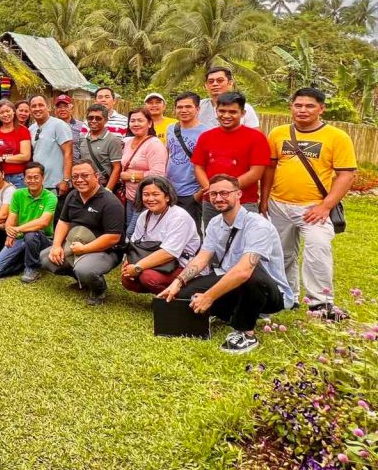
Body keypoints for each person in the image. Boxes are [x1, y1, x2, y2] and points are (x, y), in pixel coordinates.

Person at [159, 174, 293, 354]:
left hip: (268, 292)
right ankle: (233, 312)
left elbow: (244, 271)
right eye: (213, 194)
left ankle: (246, 332)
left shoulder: (258, 225)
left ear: (238, 194)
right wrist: (178, 282)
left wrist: (209, 297)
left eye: (224, 193)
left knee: (249, 275)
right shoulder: (215, 223)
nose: (218, 198)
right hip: (232, 282)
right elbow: (202, 258)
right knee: (185, 294)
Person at [261, 87, 356, 321]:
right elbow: (270, 168)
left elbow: (346, 175)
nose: (303, 110)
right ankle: (285, 296)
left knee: (318, 250)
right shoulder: (278, 133)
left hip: (314, 208)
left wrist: (325, 206)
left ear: (321, 109)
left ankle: (320, 304)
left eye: (310, 106)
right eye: (298, 105)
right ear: (291, 107)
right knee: (281, 254)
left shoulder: (336, 137)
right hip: (278, 204)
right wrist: (264, 200)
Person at [40, 159, 125, 305]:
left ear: (96, 176)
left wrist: (85, 249)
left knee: (85, 269)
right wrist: (56, 246)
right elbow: (63, 221)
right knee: (46, 258)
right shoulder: (73, 196)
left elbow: (113, 237)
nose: (79, 180)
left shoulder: (111, 202)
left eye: (85, 175)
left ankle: (99, 289)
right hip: (76, 245)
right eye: (75, 177)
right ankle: (82, 280)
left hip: (106, 250)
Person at [191, 91, 270, 228]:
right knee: (213, 242)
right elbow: (198, 167)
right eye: (222, 111)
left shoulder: (256, 138)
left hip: (243, 201)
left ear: (243, 113)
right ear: (216, 111)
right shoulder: (206, 136)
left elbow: (256, 173)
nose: (226, 116)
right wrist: (212, 191)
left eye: (232, 112)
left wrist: (223, 191)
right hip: (211, 202)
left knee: (245, 243)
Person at [120, 177, 201, 295]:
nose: (150, 198)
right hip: (158, 262)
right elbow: (134, 244)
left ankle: (179, 296)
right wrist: (127, 264)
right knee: (127, 280)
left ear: (167, 196)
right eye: (146, 194)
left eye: (155, 194)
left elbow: (169, 253)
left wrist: (137, 267)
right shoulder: (144, 216)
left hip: (181, 263)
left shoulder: (179, 217)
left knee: (148, 277)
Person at [0, 162, 56, 280]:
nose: (32, 180)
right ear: (24, 179)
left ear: (42, 179)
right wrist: (10, 232)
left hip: (42, 239)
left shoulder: (50, 197)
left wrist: (17, 229)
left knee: (31, 234)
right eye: (29, 177)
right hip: (19, 236)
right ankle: (25, 262)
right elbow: (11, 219)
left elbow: (43, 222)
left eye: (36, 177)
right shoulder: (18, 194)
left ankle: (32, 268)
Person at [119, 108, 168, 238]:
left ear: (150, 123)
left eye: (140, 120)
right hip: (129, 197)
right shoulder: (127, 141)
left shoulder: (154, 145)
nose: (136, 124)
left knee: (133, 232)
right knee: (126, 228)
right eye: (132, 121)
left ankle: (134, 257)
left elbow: (158, 175)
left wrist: (130, 176)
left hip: (145, 199)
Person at [165, 92, 209, 228]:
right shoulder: (171, 128)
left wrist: (200, 193)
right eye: (180, 107)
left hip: (191, 191)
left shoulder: (206, 133)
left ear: (197, 109)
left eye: (188, 107)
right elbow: (168, 154)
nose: (183, 110)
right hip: (170, 189)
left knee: (191, 230)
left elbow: (208, 165)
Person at [28, 95, 73, 199]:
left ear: (48, 107)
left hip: (56, 185)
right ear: (30, 110)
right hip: (39, 184)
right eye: (34, 106)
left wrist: (66, 180)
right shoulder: (31, 129)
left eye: (41, 105)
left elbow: (68, 152)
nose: (37, 108)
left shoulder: (59, 125)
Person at [0, 99, 32, 188]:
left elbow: (26, 156)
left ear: (14, 112)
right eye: (1, 112)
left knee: (17, 201)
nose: (5, 114)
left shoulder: (23, 131)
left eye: (8, 111)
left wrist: (2, 158)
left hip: (19, 177)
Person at [78, 104, 123, 192]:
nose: (93, 121)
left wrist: (108, 189)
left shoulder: (112, 140)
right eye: (90, 118)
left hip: (102, 186)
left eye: (98, 118)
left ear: (105, 120)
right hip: (85, 185)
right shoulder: (83, 138)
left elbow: (117, 168)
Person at [54, 95, 87, 162]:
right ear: (55, 110)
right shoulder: (51, 126)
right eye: (59, 107)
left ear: (72, 108)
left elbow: (86, 149)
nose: (62, 109)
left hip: (75, 165)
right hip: (55, 165)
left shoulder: (82, 126)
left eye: (66, 106)